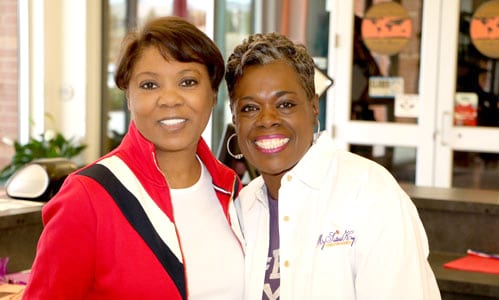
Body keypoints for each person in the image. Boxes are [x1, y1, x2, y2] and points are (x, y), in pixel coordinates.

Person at [23, 16, 244, 299]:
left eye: (188, 82)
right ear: (129, 97)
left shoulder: (233, 191)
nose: (169, 99)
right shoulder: (89, 196)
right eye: (150, 85)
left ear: (213, 94)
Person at [225, 32, 441, 300]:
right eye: (249, 108)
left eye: (285, 104)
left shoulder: (371, 193)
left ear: (314, 106)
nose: (267, 119)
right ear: (234, 117)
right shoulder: (242, 208)